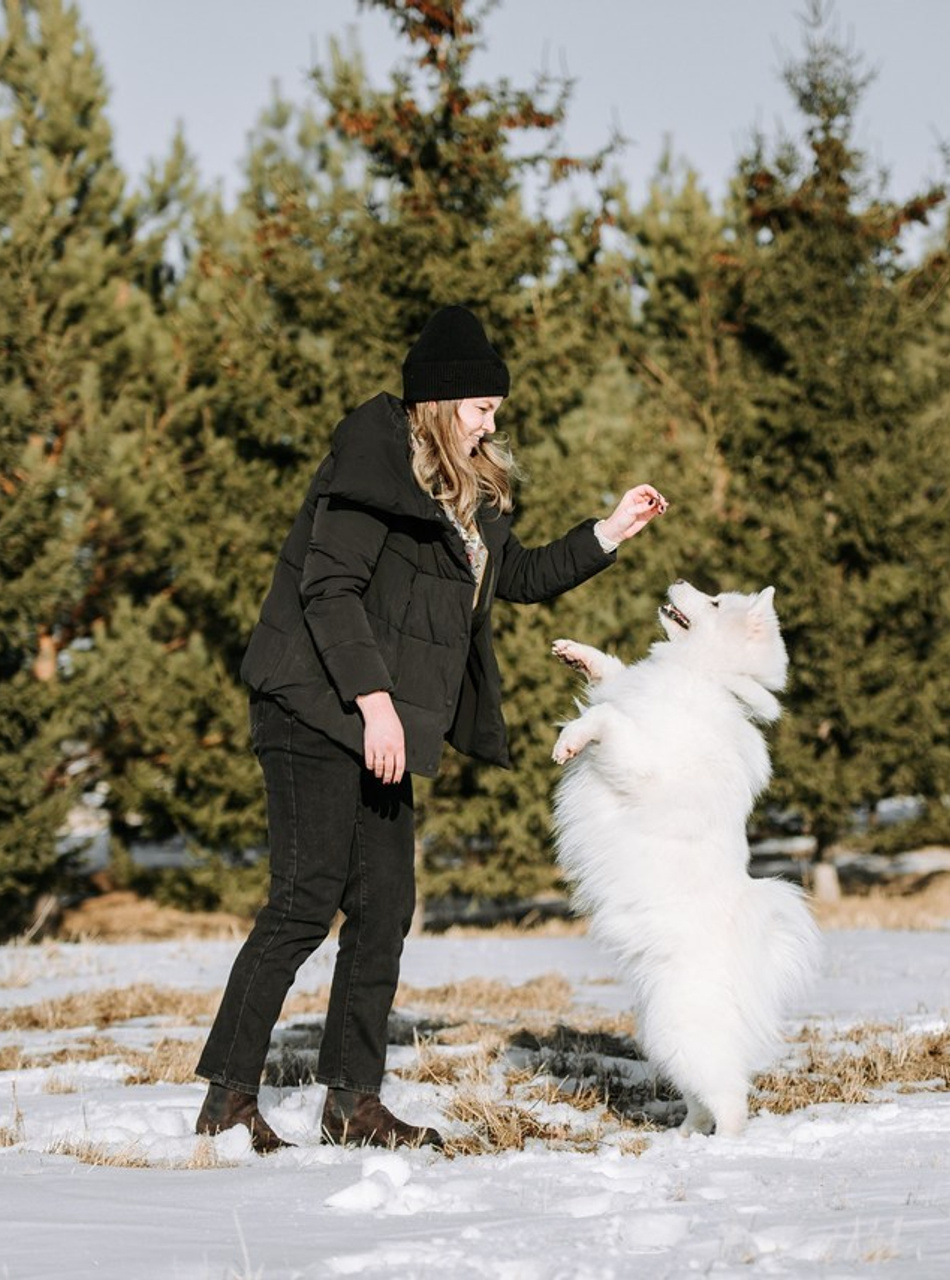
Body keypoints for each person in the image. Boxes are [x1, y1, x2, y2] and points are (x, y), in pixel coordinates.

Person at [194, 305, 667, 1152]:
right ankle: (227, 1103)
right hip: (313, 703)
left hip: (377, 722)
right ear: (440, 403)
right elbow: (328, 588)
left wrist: (609, 532)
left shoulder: (466, 489)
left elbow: (513, 576)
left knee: (384, 908)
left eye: (495, 407)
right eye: (481, 406)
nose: (494, 420)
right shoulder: (373, 460)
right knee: (304, 905)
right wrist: (373, 701)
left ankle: (352, 1102)